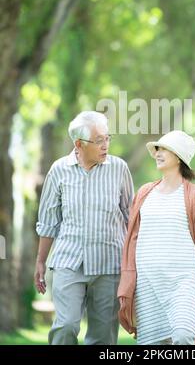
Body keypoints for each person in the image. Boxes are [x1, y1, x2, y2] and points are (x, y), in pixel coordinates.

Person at [34, 111, 134, 345]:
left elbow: (131, 219)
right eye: (99, 140)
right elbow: (49, 221)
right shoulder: (59, 170)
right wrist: (40, 261)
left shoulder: (119, 169)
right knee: (65, 326)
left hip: (109, 264)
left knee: (103, 337)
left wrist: (133, 265)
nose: (105, 145)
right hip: (69, 261)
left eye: (108, 138)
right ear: (78, 144)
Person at [118, 130, 195, 345]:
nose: (158, 153)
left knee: (183, 336)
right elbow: (132, 238)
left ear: (179, 157)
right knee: (153, 345)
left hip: (183, 282)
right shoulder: (144, 192)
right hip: (148, 284)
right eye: (158, 149)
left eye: (165, 149)